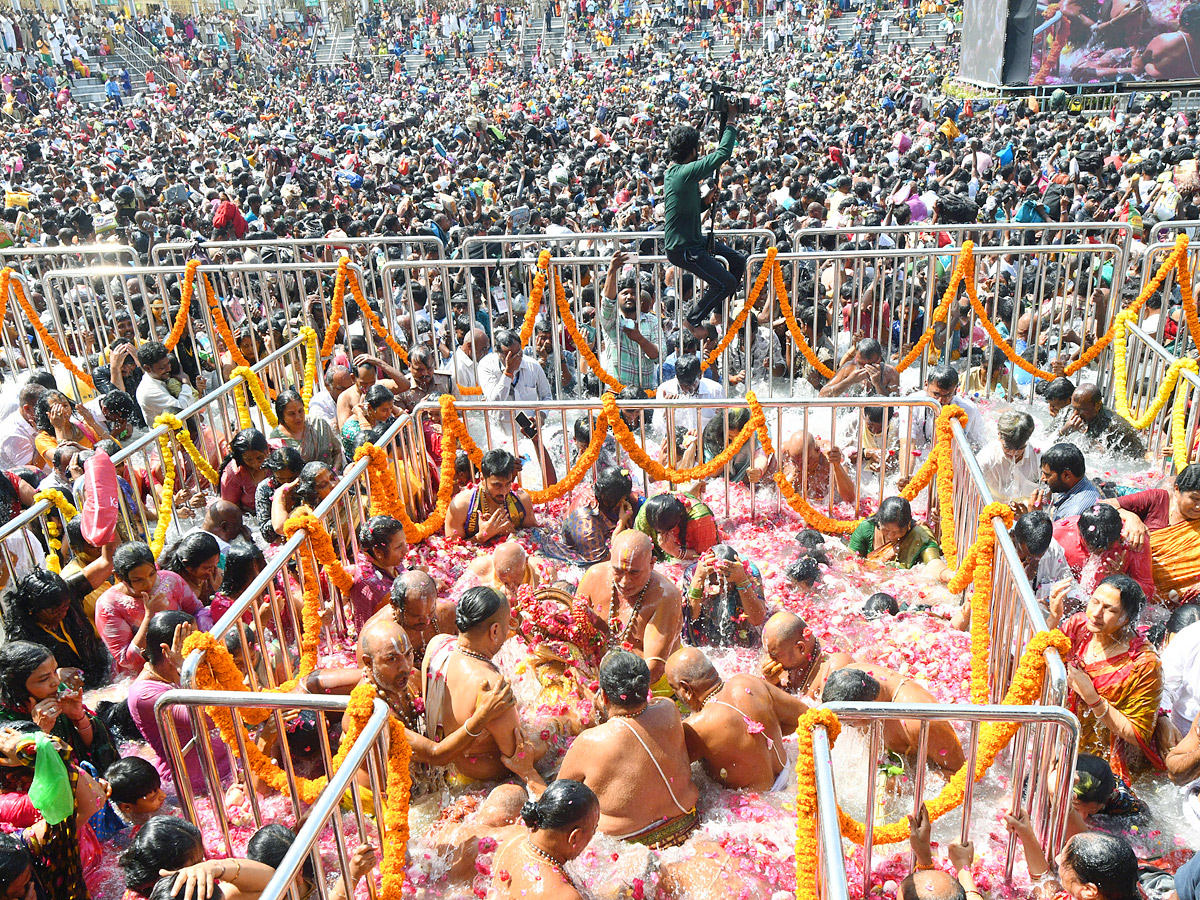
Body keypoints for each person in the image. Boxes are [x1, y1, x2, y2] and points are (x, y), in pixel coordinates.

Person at [557, 651, 700, 847]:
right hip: (689, 826)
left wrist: (528, 773)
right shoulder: (669, 709)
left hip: (630, 848)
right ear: (646, 687)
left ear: (605, 696)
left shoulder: (589, 741)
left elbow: (557, 805)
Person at [420, 587, 547, 787]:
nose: (508, 631)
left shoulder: (437, 644)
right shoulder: (493, 687)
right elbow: (518, 756)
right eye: (507, 625)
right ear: (494, 630)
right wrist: (554, 730)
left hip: (446, 775)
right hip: (479, 785)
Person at [1048, 574, 1166, 784]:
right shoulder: (1079, 627)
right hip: (1061, 742)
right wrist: (1053, 619)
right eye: (1094, 602)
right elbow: (1039, 663)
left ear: (1127, 618)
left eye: (1109, 609)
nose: (1095, 614)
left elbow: (1137, 734)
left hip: (1104, 767)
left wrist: (1092, 697)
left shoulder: (1144, 664)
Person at [666, 647, 807, 790]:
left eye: (674, 689)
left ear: (686, 690)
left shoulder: (696, 727)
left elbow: (668, 775)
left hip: (756, 804)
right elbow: (804, 715)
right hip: (790, 774)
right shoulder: (749, 681)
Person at [662, 113, 745, 334]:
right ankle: (692, 320)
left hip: (695, 241)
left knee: (737, 260)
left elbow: (684, 208)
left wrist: (704, 203)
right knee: (725, 282)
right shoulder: (684, 172)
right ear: (692, 151)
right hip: (684, 249)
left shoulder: (677, 173)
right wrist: (730, 123)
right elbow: (723, 153)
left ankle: (718, 312)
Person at [574, 531, 683, 686]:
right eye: (618, 571)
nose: (625, 582)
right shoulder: (594, 576)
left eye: (634, 573)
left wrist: (610, 694)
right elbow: (573, 626)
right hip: (600, 678)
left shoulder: (665, 596)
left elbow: (653, 668)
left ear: (652, 564)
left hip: (646, 685)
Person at [94, 541, 213, 676]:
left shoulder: (170, 580)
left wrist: (204, 640)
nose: (148, 583)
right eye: (138, 580)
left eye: (152, 574)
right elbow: (127, 660)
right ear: (118, 577)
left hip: (185, 659)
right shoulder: (108, 605)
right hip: (145, 675)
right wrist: (149, 617)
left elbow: (198, 611)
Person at [0, 641, 118, 773]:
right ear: (17, 685)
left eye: (55, 671)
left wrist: (78, 717)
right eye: (44, 679)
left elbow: (99, 750)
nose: (56, 682)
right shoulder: (5, 718)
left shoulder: (57, 690)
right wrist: (39, 733)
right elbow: (24, 777)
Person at [821, 666, 966, 773]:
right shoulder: (851, 673)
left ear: (863, 712)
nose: (844, 725)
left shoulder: (918, 721)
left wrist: (911, 785)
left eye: (848, 721)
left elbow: (961, 774)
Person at [1, 564, 114, 690]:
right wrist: (56, 673)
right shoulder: (21, 638)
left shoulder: (68, 594)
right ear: (32, 610)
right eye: (54, 610)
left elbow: (106, 562)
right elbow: (16, 679)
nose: (63, 613)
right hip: (69, 692)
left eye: (65, 607)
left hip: (106, 673)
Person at [491, 779, 599, 900]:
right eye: (594, 829)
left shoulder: (513, 837)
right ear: (575, 837)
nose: (592, 836)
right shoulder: (564, 896)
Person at [1108, 464, 1200, 603]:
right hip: (1127, 584)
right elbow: (1103, 505)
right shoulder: (1158, 499)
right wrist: (1132, 518)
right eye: (1194, 498)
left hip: (1179, 602)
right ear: (1177, 489)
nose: (1199, 506)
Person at [1054, 505, 1155, 602]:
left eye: (1105, 548)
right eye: (1091, 546)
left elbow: (1148, 593)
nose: (1098, 552)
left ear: (1119, 537)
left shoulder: (1133, 542)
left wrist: (1122, 579)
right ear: (1079, 532)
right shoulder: (1059, 533)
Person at [599, 249, 661, 393]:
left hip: (645, 393)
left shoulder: (652, 321)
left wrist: (639, 339)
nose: (629, 297)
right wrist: (612, 270)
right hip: (616, 393)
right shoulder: (611, 321)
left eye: (633, 293)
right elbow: (608, 302)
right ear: (618, 297)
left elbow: (658, 355)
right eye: (624, 293)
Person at [682, 544, 767, 648]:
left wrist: (742, 581)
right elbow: (690, 618)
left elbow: (757, 619)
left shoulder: (749, 572)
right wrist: (698, 579)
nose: (721, 589)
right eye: (716, 584)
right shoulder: (694, 572)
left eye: (726, 584)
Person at [445, 448, 537, 542]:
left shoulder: (521, 500)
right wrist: (481, 537)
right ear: (482, 479)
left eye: (508, 483)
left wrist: (512, 532)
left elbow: (537, 536)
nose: (503, 491)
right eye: (497, 485)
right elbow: (451, 547)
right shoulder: (461, 506)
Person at [900, 365, 986, 464]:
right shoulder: (912, 404)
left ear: (955, 390)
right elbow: (907, 444)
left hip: (951, 463)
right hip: (920, 462)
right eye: (936, 394)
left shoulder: (968, 409)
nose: (940, 401)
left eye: (947, 396)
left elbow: (978, 445)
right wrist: (905, 476)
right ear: (926, 385)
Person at [848, 495, 946, 575]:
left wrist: (945, 574)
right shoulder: (867, 528)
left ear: (908, 525)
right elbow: (850, 558)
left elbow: (933, 563)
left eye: (896, 532)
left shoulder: (919, 535)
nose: (890, 536)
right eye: (886, 530)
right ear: (879, 522)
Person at [559, 466, 636, 565]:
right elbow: (602, 561)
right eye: (622, 499)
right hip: (586, 562)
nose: (624, 502)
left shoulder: (601, 492)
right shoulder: (586, 519)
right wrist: (621, 523)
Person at [347, 515, 408, 630]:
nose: (406, 550)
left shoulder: (389, 560)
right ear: (378, 552)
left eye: (405, 542)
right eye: (399, 546)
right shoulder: (373, 586)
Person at [1058, 383, 1146, 457]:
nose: (1075, 414)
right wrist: (1063, 431)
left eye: (1082, 410)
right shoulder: (1067, 411)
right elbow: (1046, 439)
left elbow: (1139, 457)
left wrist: (1105, 453)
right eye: (1074, 408)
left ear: (1097, 406)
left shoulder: (1117, 427)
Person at [634, 491, 720, 561]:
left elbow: (706, 557)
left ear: (679, 519)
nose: (663, 535)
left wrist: (675, 551)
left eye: (670, 529)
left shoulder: (700, 520)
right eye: (659, 531)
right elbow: (639, 547)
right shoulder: (647, 512)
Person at [978, 410, 1041, 505]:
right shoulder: (985, 459)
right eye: (1007, 448)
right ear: (999, 436)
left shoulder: (1040, 457)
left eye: (1020, 448)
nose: (1013, 453)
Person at [270, 388, 344, 470]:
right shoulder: (276, 438)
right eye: (291, 414)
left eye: (300, 411)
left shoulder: (319, 424)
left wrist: (334, 473)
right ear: (281, 416)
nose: (298, 417)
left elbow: (337, 451)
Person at [780, 429, 857, 504]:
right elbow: (772, 491)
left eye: (806, 463)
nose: (800, 468)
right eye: (795, 462)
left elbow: (850, 498)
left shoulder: (831, 456)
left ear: (817, 451)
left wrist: (837, 466)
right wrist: (795, 478)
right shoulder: (784, 452)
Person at [1039, 442, 1103, 522]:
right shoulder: (1080, 483)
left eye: (1047, 475)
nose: (1043, 478)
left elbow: (1054, 534)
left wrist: (1036, 517)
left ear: (1066, 475)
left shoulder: (1072, 513)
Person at [464, 540, 540, 606]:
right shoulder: (479, 568)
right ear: (494, 563)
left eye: (514, 581)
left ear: (526, 561)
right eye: (504, 581)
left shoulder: (542, 571)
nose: (510, 585)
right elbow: (458, 601)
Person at [819, 337, 899, 397]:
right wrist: (849, 381)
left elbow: (894, 407)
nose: (864, 369)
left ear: (879, 360)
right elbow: (822, 395)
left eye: (869, 365)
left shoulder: (890, 373)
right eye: (860, 364)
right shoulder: (849, 368)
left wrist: (877, 384)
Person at [105, 757, 166, 833]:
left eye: (159, 788)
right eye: (153, 797)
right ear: (127, 807)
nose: (164, 795)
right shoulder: (119, 831)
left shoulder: (144, 791)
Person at [341, 383, 396, 461]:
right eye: (384, 410)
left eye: (391, 408)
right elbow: (370, 442)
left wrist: (391, 407)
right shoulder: (351, 428)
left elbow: (408, 424)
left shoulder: (382, 416)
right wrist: (360, 414)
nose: (389, 413)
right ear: (370, 407)